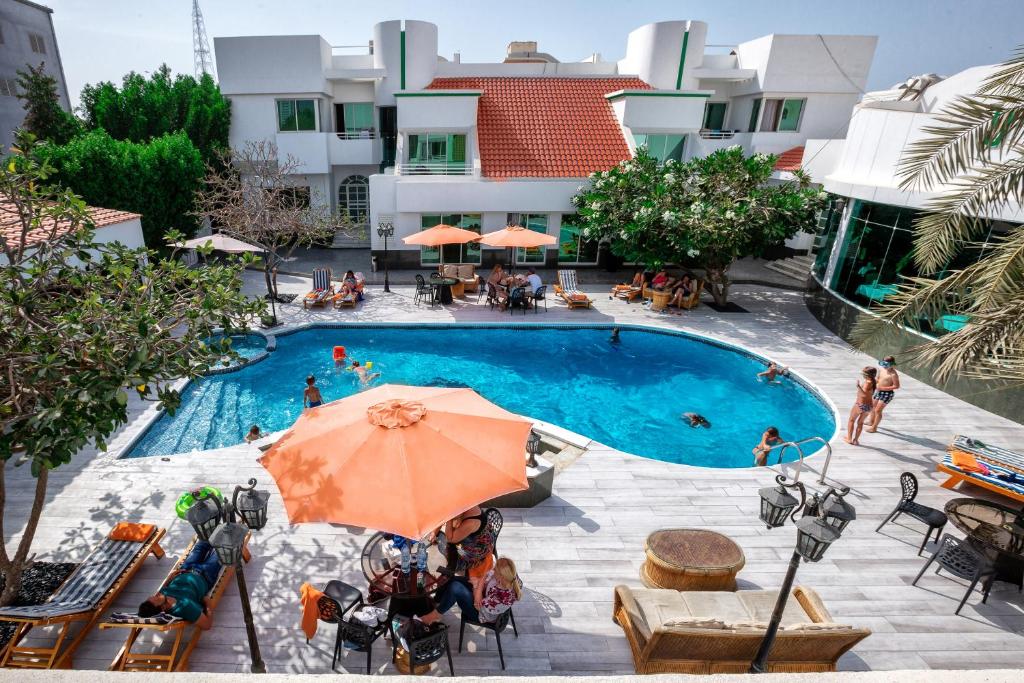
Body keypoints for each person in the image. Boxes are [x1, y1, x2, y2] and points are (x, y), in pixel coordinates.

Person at [137, 541, 220, 629]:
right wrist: (208, 603)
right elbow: (207, 625)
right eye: (153, 600)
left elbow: (163, 588)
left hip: (185, 568)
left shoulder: (161, 597)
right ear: (161, 608)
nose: (151, 597)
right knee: (221, 549)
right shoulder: (184, 608)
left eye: (148, 600)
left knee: (202, 541)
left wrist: (170, 577)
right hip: (205, 574)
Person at [430, 557, 522, 625]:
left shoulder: (501, 598)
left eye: (495, 570)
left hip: (482, 614)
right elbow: (487, 575)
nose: (493, 569)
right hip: (483, 593)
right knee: (450, 578)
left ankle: (436, 615)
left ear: (501, 576)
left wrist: (477, 585)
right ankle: (437, 601)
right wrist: (481, 581)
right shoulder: (511, 576)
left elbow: (478, 606)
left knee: (455, 588)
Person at [865, 356, 900, 433]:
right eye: (883, 364)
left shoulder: (893, 374)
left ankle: (874, 428)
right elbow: (878, 379)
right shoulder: (881, 370)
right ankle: (871, 421)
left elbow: (896, 386)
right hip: (878, 391)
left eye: (886, 364)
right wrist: (873, 385)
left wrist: (883, 388)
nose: (884, 366)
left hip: (887, 394)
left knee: (878, 410)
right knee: (872, 407)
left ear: (892, 364)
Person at [844, 367, 877, 445]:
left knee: (851, 420)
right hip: (869, 406)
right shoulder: (873, 381)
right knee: (860, 423)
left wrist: (858, 386)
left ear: (867, 375)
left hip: (860, 405)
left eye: (863, 374)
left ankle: (849, 439)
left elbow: (864, 394)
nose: (862, 375)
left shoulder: (868, 382)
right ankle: (856, 440)